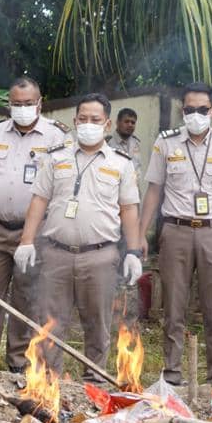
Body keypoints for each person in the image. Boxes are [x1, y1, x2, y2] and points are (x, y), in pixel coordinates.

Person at [15, 94, 142, 378]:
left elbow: (129, 209)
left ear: (107, 124)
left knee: (97, 322)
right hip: (56, 253)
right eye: (82, 119)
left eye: (95, 120)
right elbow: (39, 199)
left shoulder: (121, 163)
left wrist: (134, 252)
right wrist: (26, 241)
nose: (88, 124)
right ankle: (48, 382)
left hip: (100, 256)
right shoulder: (56, 157)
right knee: (50, 322)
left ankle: (94, 380)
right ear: (74, 121)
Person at [139, 82, 212, 387]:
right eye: (190, 109)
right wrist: (140, 234)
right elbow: (154, 191)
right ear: (182, 109)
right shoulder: (165, 142)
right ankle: (172, 375)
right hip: (175, 231)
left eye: (202, 109)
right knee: (173, 308)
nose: (196, 115)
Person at [0, 76, 70, 371]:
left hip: (35, 233)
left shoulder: (56, 137)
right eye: (17, 104)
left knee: (26, 299)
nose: (22, 108)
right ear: (9, 104)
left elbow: (64, 186)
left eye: (28, 103)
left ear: (39, 103)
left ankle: (17, 362)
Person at [108, 107, 142, 177]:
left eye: (133, 122)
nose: (130, 125)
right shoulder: (108, 143)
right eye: (126, 121)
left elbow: (137, 167)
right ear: (117, 122)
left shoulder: (135, 143)